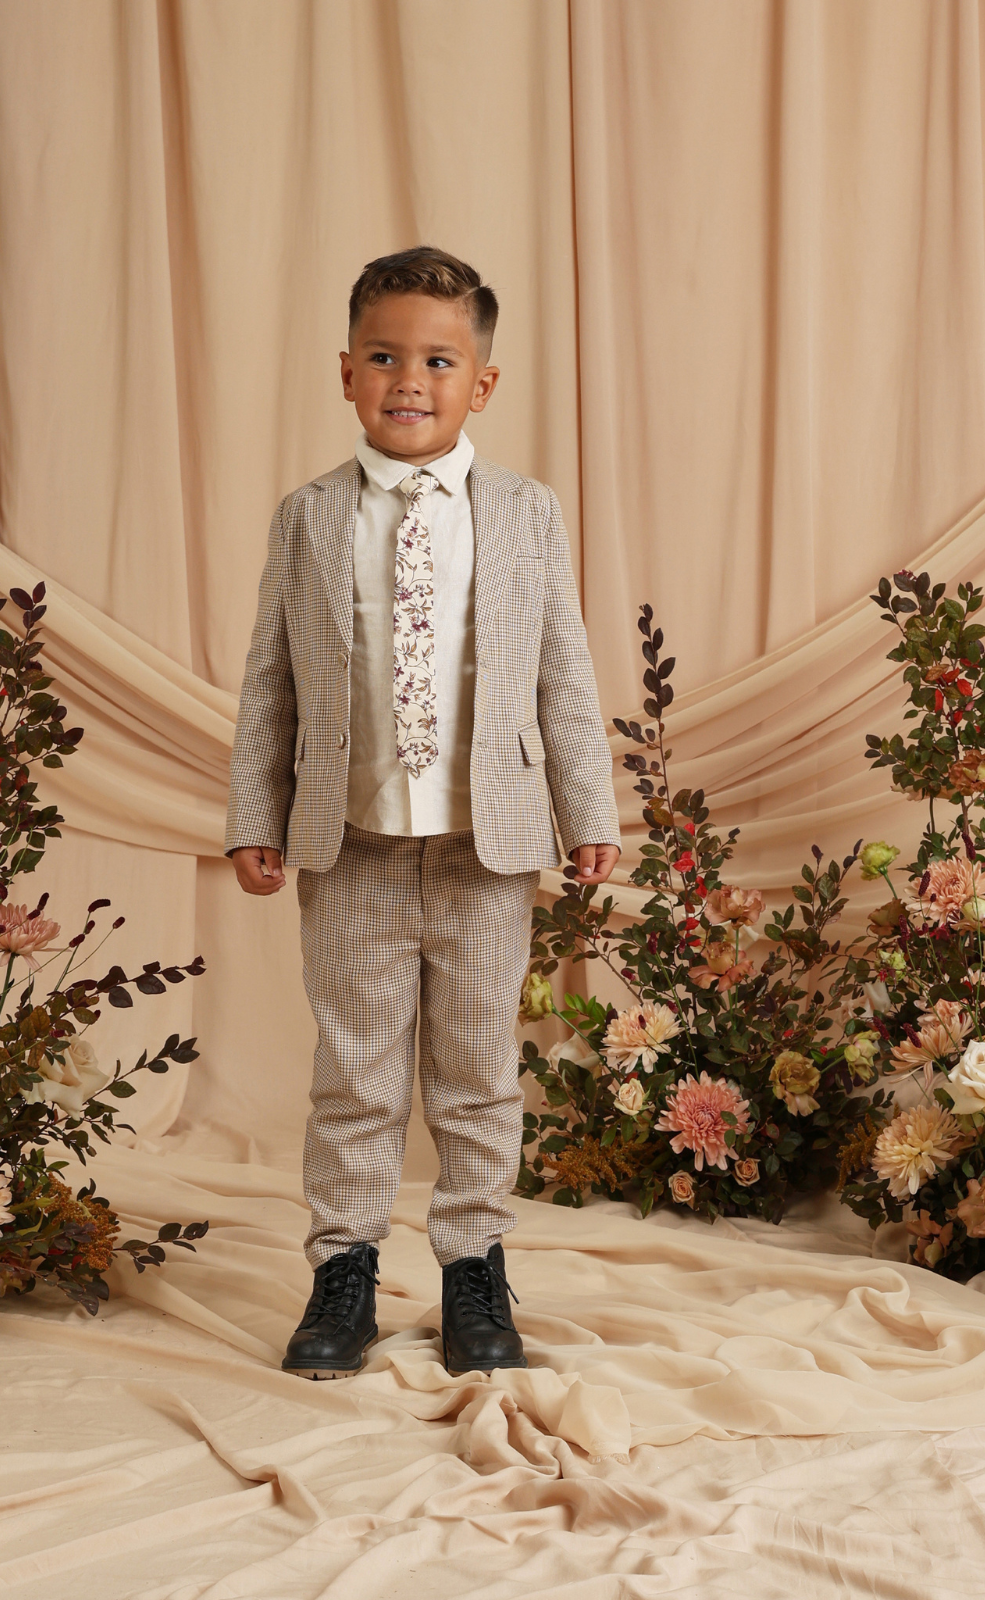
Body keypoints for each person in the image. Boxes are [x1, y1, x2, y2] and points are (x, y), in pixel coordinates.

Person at [225, 246, 621, 1380]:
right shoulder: (308, 517)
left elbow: (563, 672)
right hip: (345, 842)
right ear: (346, 373)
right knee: (354, 1069)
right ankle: (342, 1266)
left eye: (437, 360)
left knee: (476, 1064)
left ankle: (472, 1268)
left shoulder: (522, 512)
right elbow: (271, 680)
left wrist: (584, 807)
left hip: (484, 844)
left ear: (479, 384)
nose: (410, 379)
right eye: (386, 357)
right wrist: (256, 809)